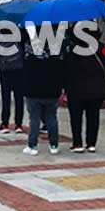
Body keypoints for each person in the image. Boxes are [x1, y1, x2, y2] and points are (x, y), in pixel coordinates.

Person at [65, 27, 105, 153]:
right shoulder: (102, 48)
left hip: (76, 89)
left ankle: (77, 143)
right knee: (94, 116)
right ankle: (91, 143)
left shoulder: (73, 50)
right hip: (97, 89)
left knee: (76, 117)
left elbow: (67, 70)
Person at [22, 27, 65, 156]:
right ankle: (54, 145)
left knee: (34, 119)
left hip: (33, 90)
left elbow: (26, 70)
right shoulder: (56, 50)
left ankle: (32, 145)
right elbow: (61, 69)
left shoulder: (30, 49)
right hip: (52, 90)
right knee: (52, 117)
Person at [0, 27, 25, 134]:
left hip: (5, 69)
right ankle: (18, 124)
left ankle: (5, 123)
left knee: (5, 97)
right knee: (19, 98)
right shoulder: (20, 33)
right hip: (19, 69)